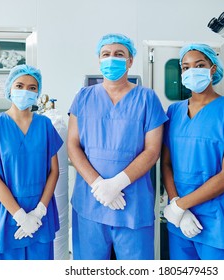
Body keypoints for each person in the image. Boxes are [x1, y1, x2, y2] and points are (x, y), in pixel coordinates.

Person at [67, 33, 168, 260]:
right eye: (106, 54)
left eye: (119, 54)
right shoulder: (83, 97)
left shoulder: (147, 98)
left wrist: (117, 183)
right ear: (99, 60)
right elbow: (73, 145)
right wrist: (98, 183)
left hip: (132, 202)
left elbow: (153, 150)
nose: (111, 59)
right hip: (90, 201)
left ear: (130, 61)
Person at [162, 43, 224, 260]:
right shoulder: (173, 112)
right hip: (180, 218)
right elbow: (167, 164)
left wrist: (180, 206)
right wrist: (175, 204)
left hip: (219, 218)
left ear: (212, 69)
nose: (192, 71)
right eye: (186, 67)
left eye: (199, 65)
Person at [0, 64, 63, 260]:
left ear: (38, 92)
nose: (25, 91)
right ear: (9, 89)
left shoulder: (45, 124)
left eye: (32, 88)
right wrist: (21, 216)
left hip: (41, 211)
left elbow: (54, 171)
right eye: (19, 85)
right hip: (8, 213)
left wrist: (38, 212)